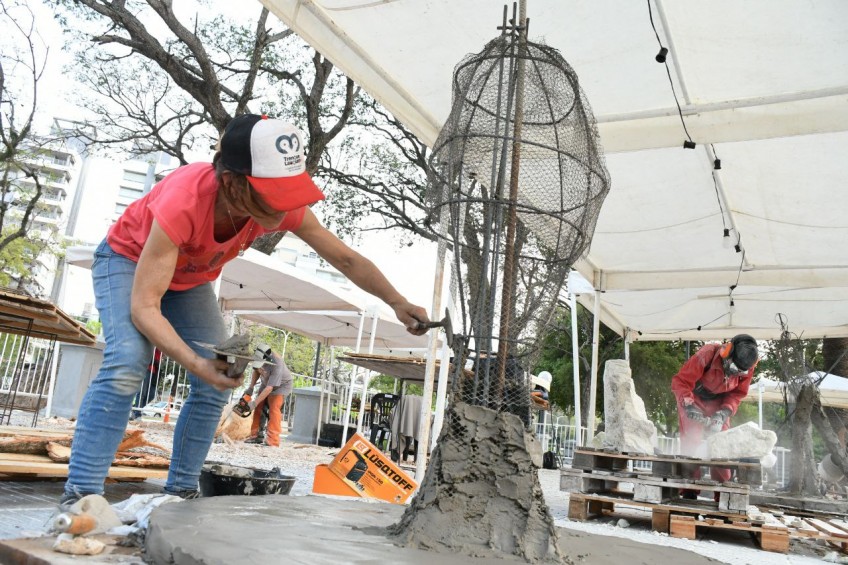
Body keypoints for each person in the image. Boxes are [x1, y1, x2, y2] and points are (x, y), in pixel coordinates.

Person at [61, 114, 429, 505]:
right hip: (127, 260)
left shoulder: (281, 206)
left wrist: (397, 301)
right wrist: (195, 362)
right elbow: (145, 307)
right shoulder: (185, 200)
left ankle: (180, 495)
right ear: (231, 182)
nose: (283, 208)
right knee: (127, 364)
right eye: (272, 194)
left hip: (188, 281)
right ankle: (81, 496)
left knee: (216, 379)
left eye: (288, 191)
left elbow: (346, 259)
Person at [671, 334, 759, 497]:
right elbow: (681, 382)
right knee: (692, 442)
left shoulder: (747, 366)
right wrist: (689, 405)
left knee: (722, 447)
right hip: (694, 398)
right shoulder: (707, 354)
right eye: (734, 368)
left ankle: (723, 493)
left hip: (720, 404)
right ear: (727, 352)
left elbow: (737, 394)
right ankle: (689, 492)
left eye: (740, 372)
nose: (735, 373)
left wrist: (724, 413)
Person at [244, 344, 291, 447]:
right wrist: (251, 387)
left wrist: (254, 403)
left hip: (281, 386)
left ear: (267, 357)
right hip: (266, 382)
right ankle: (256, 436)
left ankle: (273, 440)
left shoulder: (277, 363)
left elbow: (270, 388)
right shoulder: (259, 356)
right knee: (259, 408)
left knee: (274, 409)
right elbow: (256, 371)